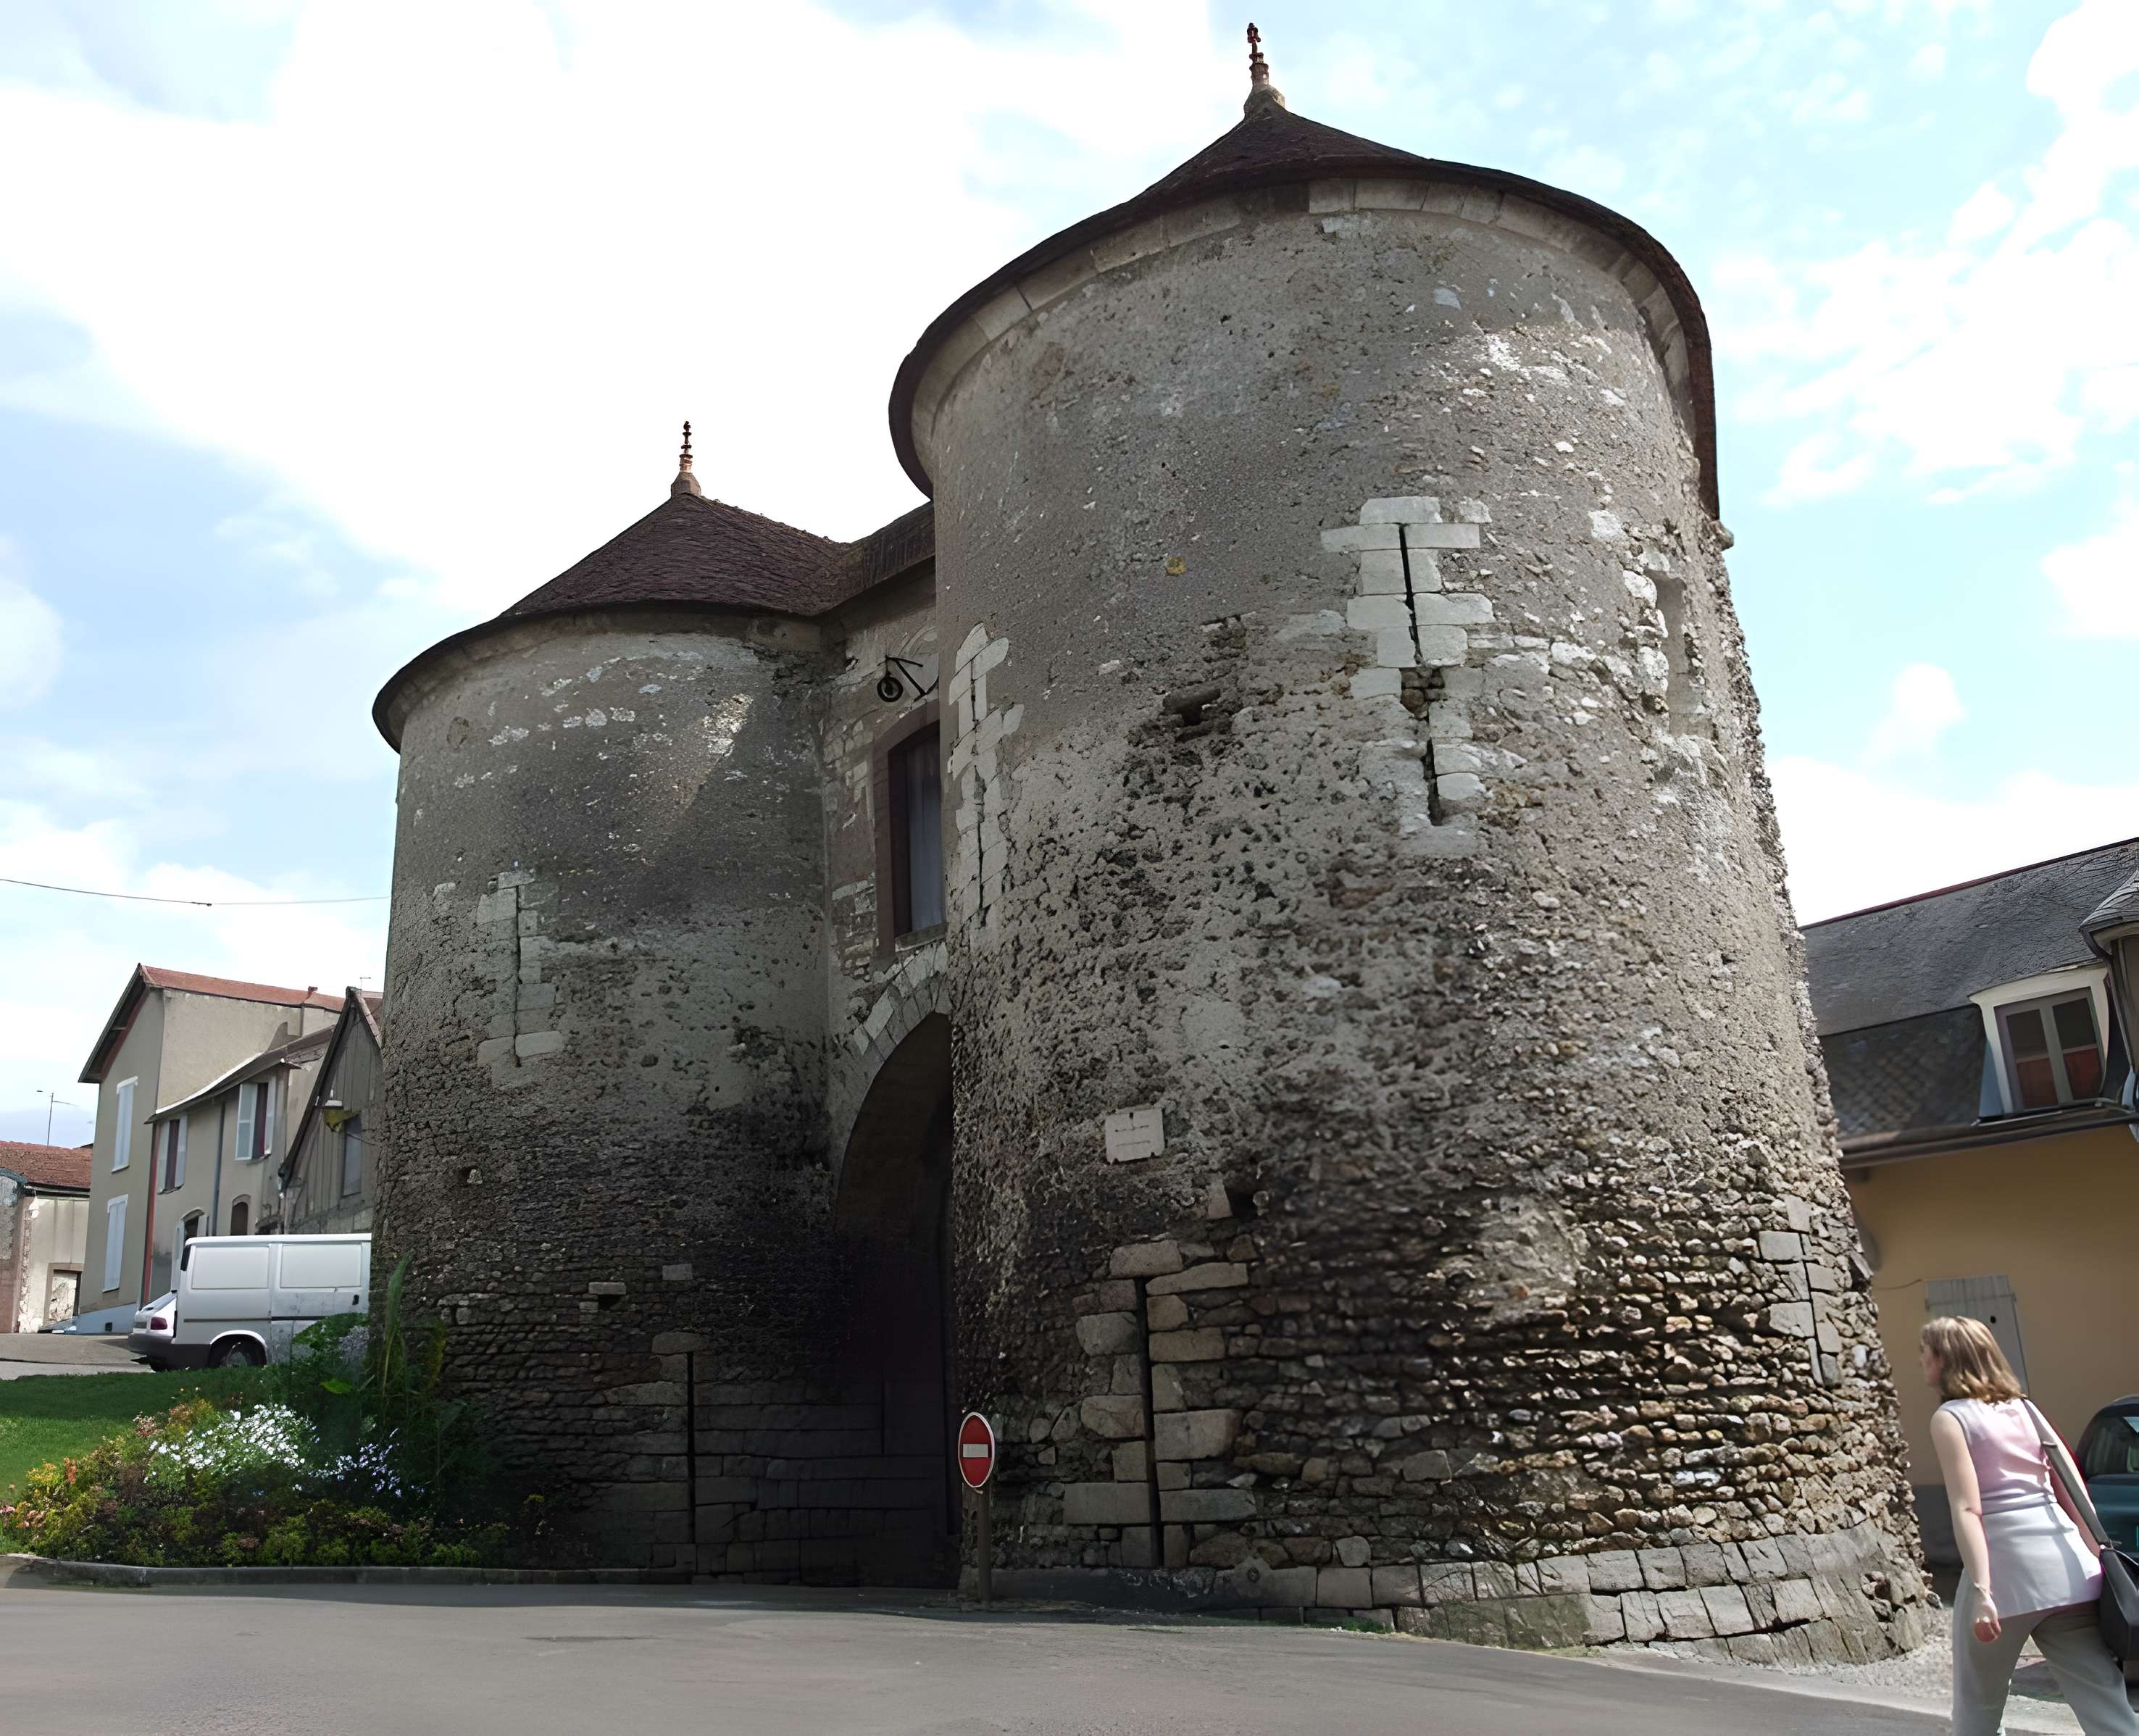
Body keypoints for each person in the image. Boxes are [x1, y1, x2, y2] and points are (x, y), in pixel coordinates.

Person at [1923, 1315, 2138, 1735]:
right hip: (2069, 1570)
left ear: (1945, 1360)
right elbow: (2069, 1480)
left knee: (1978, 1706)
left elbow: (1968, 1508)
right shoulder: (2025, 1407)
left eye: (1925, 1353)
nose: (1921, 1362)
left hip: (2007, 1576)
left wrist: (1984, 1591)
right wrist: (2095, 1551)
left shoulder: (1950, 1418)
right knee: (2105, 1703)